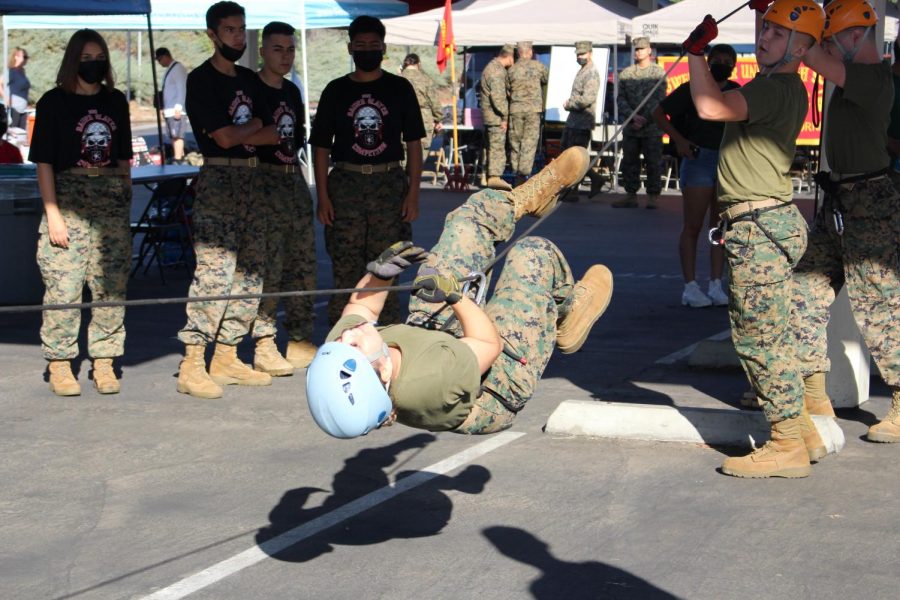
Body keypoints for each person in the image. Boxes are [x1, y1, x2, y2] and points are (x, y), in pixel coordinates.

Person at [305, 147, 614, 438]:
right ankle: (569, 314)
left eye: (343, 341)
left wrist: (379, 276)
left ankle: (525, 199)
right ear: (383, 369)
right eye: (353, 342)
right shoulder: (429, 384)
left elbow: (361, 311)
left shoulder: (346, 355)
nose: (347, 335)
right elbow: (486, 343)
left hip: (435, 341)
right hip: (493, 381)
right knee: (534, 255)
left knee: (467, 223)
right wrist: (455, 296)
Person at [684, 0, 826, 478]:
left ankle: (785, 445)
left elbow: (709, 105)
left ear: (801, 49)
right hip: (768, 222)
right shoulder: (780, 84)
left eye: (776, 34)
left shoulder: (775, 88)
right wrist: (766, 11)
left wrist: (697, 55)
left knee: (758, 340)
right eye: (764, 29)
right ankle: (801, 431)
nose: (764, 38)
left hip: (759, 229)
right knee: (775, 336)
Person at [789, 0, 900, 443]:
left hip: (869, 201)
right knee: (802, 292)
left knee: (881, 308)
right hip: (839, 199)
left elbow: (811, 57)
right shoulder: (852, 74)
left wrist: (798, 25)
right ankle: (812, 392)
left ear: (856, 37)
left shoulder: (873, 78)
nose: (830, 48)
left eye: (834, 39)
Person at [176, 1, 278, 399]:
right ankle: (192, 362)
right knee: (215, 272)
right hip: (219, 178)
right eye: (230, 30)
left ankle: (227, 354)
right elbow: (222, 138)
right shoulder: (201, 80)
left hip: (253, 180)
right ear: (213, 35)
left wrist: (245, 129)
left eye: (242, 30)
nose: (238, 37)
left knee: (250, 272)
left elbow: (273, 134)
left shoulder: (250, 81)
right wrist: (249, 128)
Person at [28, 29, 133, 396]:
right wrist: (53, 214)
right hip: (69, 195)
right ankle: (60, 364)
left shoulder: (116, 100)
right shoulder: (53, 102)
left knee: (111, 287)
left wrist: (124, 194)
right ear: (74, 60)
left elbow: (123, 157)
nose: (94, 63)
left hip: (109, 198)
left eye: (99, 56)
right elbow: (43, 162)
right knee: (64, 287)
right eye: (86, 58)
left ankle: (104, 361)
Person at [310, 15, 425, 327]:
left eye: (373, 45)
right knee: (346, 270)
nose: (367, 50)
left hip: (389, 185)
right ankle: (343, 337)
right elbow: (320, 147)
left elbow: (414, 144)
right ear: (350, 48)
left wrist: (413, 194)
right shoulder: (335, 91)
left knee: (387, 266)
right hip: (345, 185)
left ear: (384, 48)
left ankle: (386, 337)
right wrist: (323, 197)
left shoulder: (400, 88)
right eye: (360, 45)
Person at [250, 21, 318, 375]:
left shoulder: (292, 91)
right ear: (262, 51)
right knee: (269, 269)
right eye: (277, 49)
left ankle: (300, 339)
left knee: (302, 265)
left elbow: (298, 138)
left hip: (292, 179)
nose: (285, 56)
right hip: (263, 183)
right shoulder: (251, 89)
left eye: (290, 49)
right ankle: (263, 343)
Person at [652, 44, 740, 308]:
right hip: (698, 158)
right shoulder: (694, 88)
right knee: (693, 225)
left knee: (719, 227)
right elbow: (657, 112)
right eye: (718, 59)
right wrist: (678, 140)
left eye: (728, 60)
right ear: (708, 62)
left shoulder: (737, 90)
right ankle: (690, 286)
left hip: (727, 162)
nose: (723, 63)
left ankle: (715, 283)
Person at [613, 37, 666, 209]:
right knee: (630, 161)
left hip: (651, 127)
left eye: (642, 49)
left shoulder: (658, 73)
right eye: (636, 49)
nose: (639, 52)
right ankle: (631, 195)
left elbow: (660, 99)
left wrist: (644, 119)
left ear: (649, 50)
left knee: (653, 161)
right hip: (632, 127)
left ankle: (653, 196)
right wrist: (633, 117)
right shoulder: (627, 74)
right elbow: (620, 99)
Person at [560, 40, 605, 201]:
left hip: (582, 122)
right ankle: (595, 178)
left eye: (583, 54)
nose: (580, 57)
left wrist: (569, 104)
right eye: (578, 54)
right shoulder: (583, 70)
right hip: (574, 120)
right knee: (566, 152)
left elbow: (587, 98)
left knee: (576, 158)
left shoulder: (591, 72)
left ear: (590, 53)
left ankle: (573, 191)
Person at [507, 41, 548, 185]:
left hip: (516, 110)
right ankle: (523, 174)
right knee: (529, 143)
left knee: (516, 142)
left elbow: (507, 90)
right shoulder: (539, 67)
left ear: (518, 52)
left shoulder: (511, 70)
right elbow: (547, 80)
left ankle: (516, 172)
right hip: (533, 110)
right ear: (530, 51)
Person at [480, 44, 515, 191]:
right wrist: (505, 117)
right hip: (496, 118)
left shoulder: (492, 67)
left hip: (491, 116)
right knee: (497, 149)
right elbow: (498, 99)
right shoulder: (496, 72)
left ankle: (489, 177)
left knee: (492, 148)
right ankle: (494, 179)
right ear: (509, 56)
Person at [400, 53, 444, 159]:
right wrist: (438, 119)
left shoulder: (397, 79)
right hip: (423, 119)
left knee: (403, 154)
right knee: (420, 155)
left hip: (402, 119)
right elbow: (434, 103)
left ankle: (405, 175)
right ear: (418, 64)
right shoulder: (426, 79)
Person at [154, 47, 188, 163]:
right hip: (170, 109)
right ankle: (179, 158)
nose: (159, 63)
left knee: (177, 135)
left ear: (165, 56)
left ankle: (178, 159)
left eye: (159, 60)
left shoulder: (178, 68)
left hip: (176, 109)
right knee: (173, 136)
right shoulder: (170, 69)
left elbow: (182, 88)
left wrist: (178, 107)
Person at [1, 47, 30, 130]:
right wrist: (6, 98)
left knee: (21, 134)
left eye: (26, 57)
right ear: (16, 57)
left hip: (23, 110)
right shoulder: (11, 71)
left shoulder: (22, 72)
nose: (25, 59)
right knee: (13, 135)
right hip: (14, 108)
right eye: (24, 57)